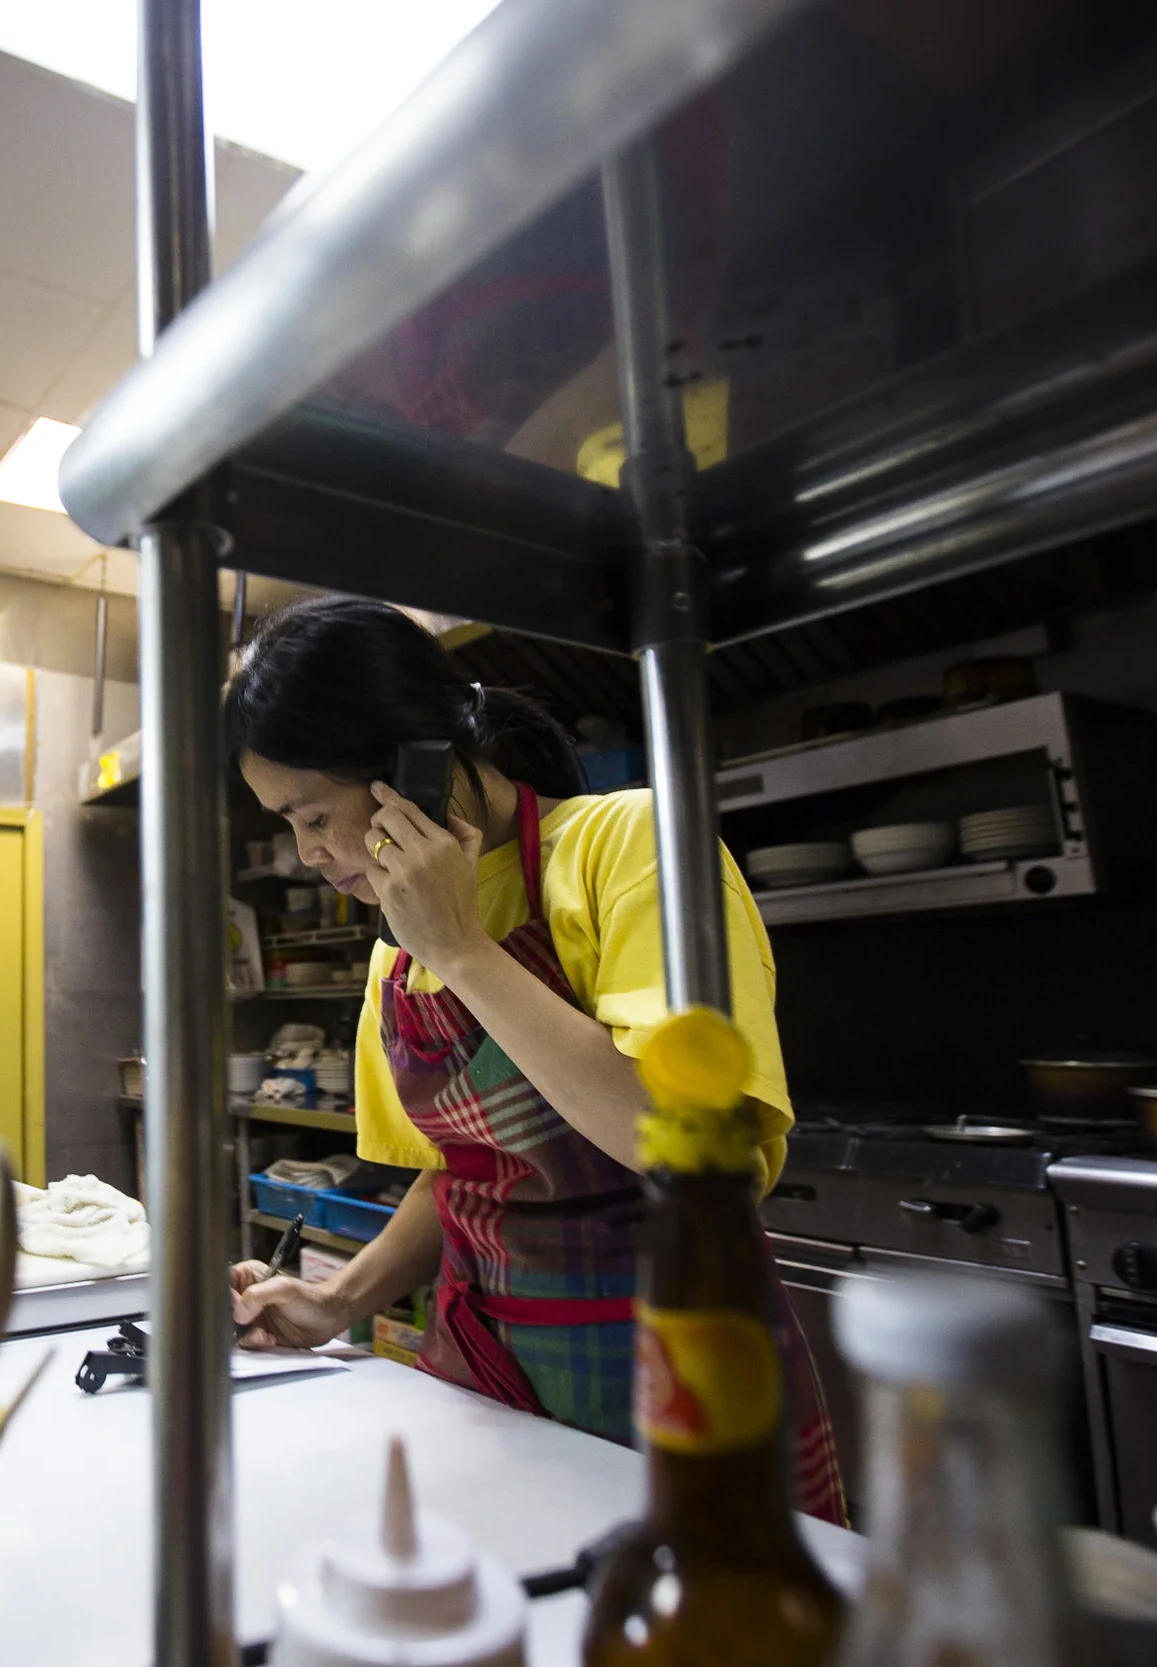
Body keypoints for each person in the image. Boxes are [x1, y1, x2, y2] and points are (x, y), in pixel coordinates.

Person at [225, 596, 845, 1525]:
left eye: (312, 814)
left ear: (410, 767)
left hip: (678, 1382)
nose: (308, 853)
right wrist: (332, 1299)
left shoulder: (626, 849)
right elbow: (467, 1174)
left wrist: (466, 952)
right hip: (485, 1380)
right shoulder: (400, 943)